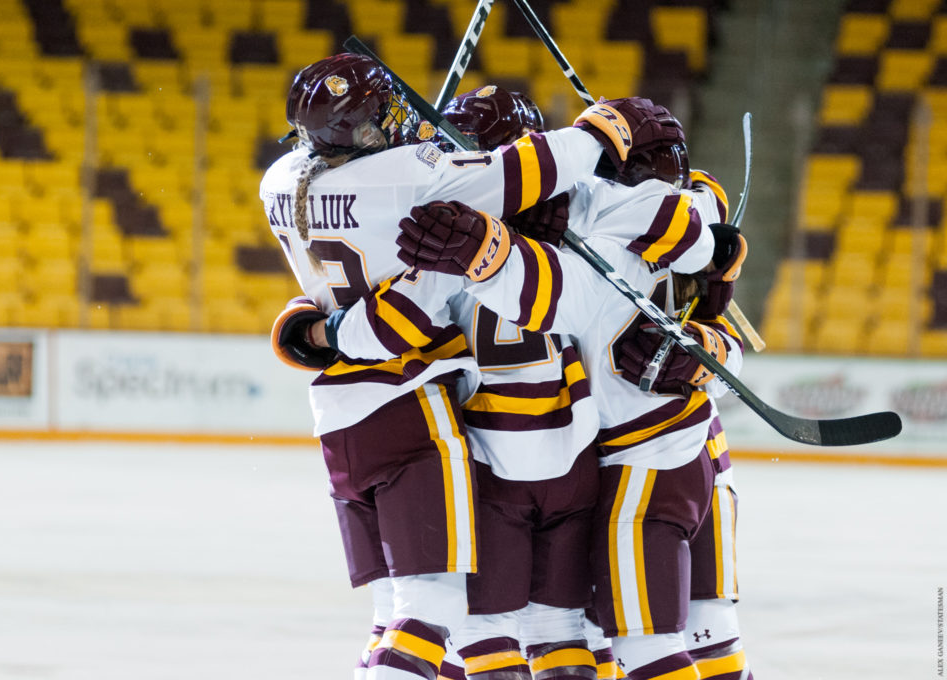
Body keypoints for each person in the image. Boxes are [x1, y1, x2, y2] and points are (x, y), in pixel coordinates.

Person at [312, 94, 737, 680]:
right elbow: (693, 220)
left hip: (520, 463)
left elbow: (383, 315)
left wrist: (320, 327)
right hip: (596, 457)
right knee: (589, 632)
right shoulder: (597, 210)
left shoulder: (431, 233)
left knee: (482, 631)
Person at [264, 52, 648, 680]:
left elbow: (353, 291)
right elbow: (534, 171)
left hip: (352, 418)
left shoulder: (282, 181)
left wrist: (317, 329)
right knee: (475, 615)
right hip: (449, 420)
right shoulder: (444, 192)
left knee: (413, 618)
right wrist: (605, 130)